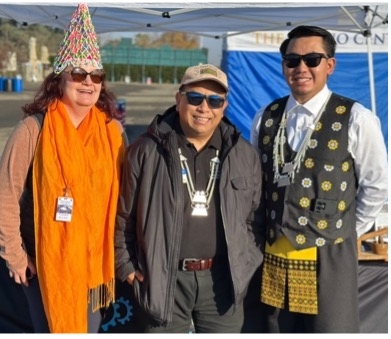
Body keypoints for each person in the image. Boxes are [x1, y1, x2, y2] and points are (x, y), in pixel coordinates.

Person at [250, 25, 388, 333]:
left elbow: (377, 185)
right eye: (292, 60)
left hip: (331, 254)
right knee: (276, 330)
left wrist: (346, 230)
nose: (301, 68)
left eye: (312, 59)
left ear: (330, 65)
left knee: (331, 330)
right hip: (275, 251)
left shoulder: (356, 118)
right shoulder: (266, 116)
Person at [0, 3, 127, 333]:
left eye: (96, 75)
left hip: (93, 264)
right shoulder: (33, 129)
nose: (88, 82)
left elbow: (126, 193)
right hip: (44, 265)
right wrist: (14, 255)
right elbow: (6, 196)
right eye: (78, 74)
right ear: (59, 79)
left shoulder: (112, 131)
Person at [115, 63, 264, 333]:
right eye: (195, 98)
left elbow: (255, 217)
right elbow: (123, 216)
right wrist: (125, 267)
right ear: (178, 99)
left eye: (215, 100)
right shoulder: (145, 151)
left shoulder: (243, 154)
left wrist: (247, 262)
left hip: (222, 284)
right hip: (162, 279)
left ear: (224, 105)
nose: (204, 108)